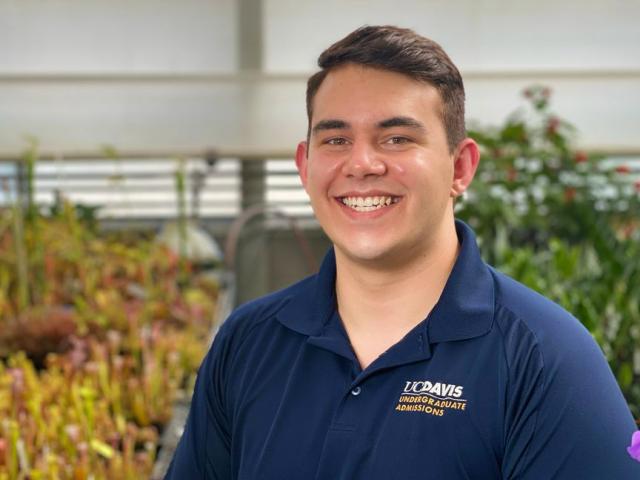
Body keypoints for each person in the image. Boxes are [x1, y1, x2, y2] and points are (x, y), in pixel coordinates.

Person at [166, 25, 639, 479]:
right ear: (304, 165)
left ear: (460, 167)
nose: (363, 164)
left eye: (397, 139)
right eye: (335, 140)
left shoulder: (543, 356)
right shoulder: (249, 342)